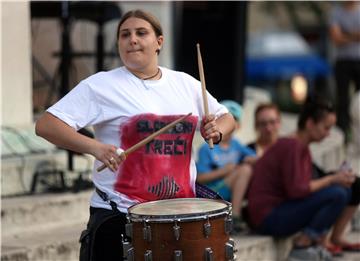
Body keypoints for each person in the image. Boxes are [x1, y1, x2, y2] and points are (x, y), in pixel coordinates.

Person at [35, 9, 235, 261]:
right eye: (124, 35)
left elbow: (226, 118)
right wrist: (95, 147)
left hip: (180, 214)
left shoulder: (185, 83)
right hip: (121, 215)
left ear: (159, 42)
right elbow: (46, 125)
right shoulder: (101, 85)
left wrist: (216, 131)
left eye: (141, 33)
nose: (132, 40)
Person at [247, 98, 356, 260]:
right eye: (326, 127)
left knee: (344, 189)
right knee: (338, 193)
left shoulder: (300, 146)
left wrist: (335, 178)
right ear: (310, 123)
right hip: (267, 218)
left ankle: (314, 241)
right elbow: (297, 190)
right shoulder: (292, 145)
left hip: (279, 211)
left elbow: (303, 188)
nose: (328, 133)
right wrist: (332, 179)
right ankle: (303, 244)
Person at [196, 100, 257, 232]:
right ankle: (235, 216)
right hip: (211, 193)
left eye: (233, 120)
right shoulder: (206, 148)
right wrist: (223, 171)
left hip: (228, 190)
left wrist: (249, 159)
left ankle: (240, 215)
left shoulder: (237, 144)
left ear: (237, 125)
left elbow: (255, 158)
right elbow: (200, 178)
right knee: (245, 170)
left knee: (247, 168)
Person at [329, 1, 360, 143]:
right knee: (343, 99)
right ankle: (343, 133)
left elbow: (341, 36)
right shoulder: (336, 12)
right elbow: (336, 38)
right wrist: (355, 36)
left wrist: (346, 35)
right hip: (342, 62)